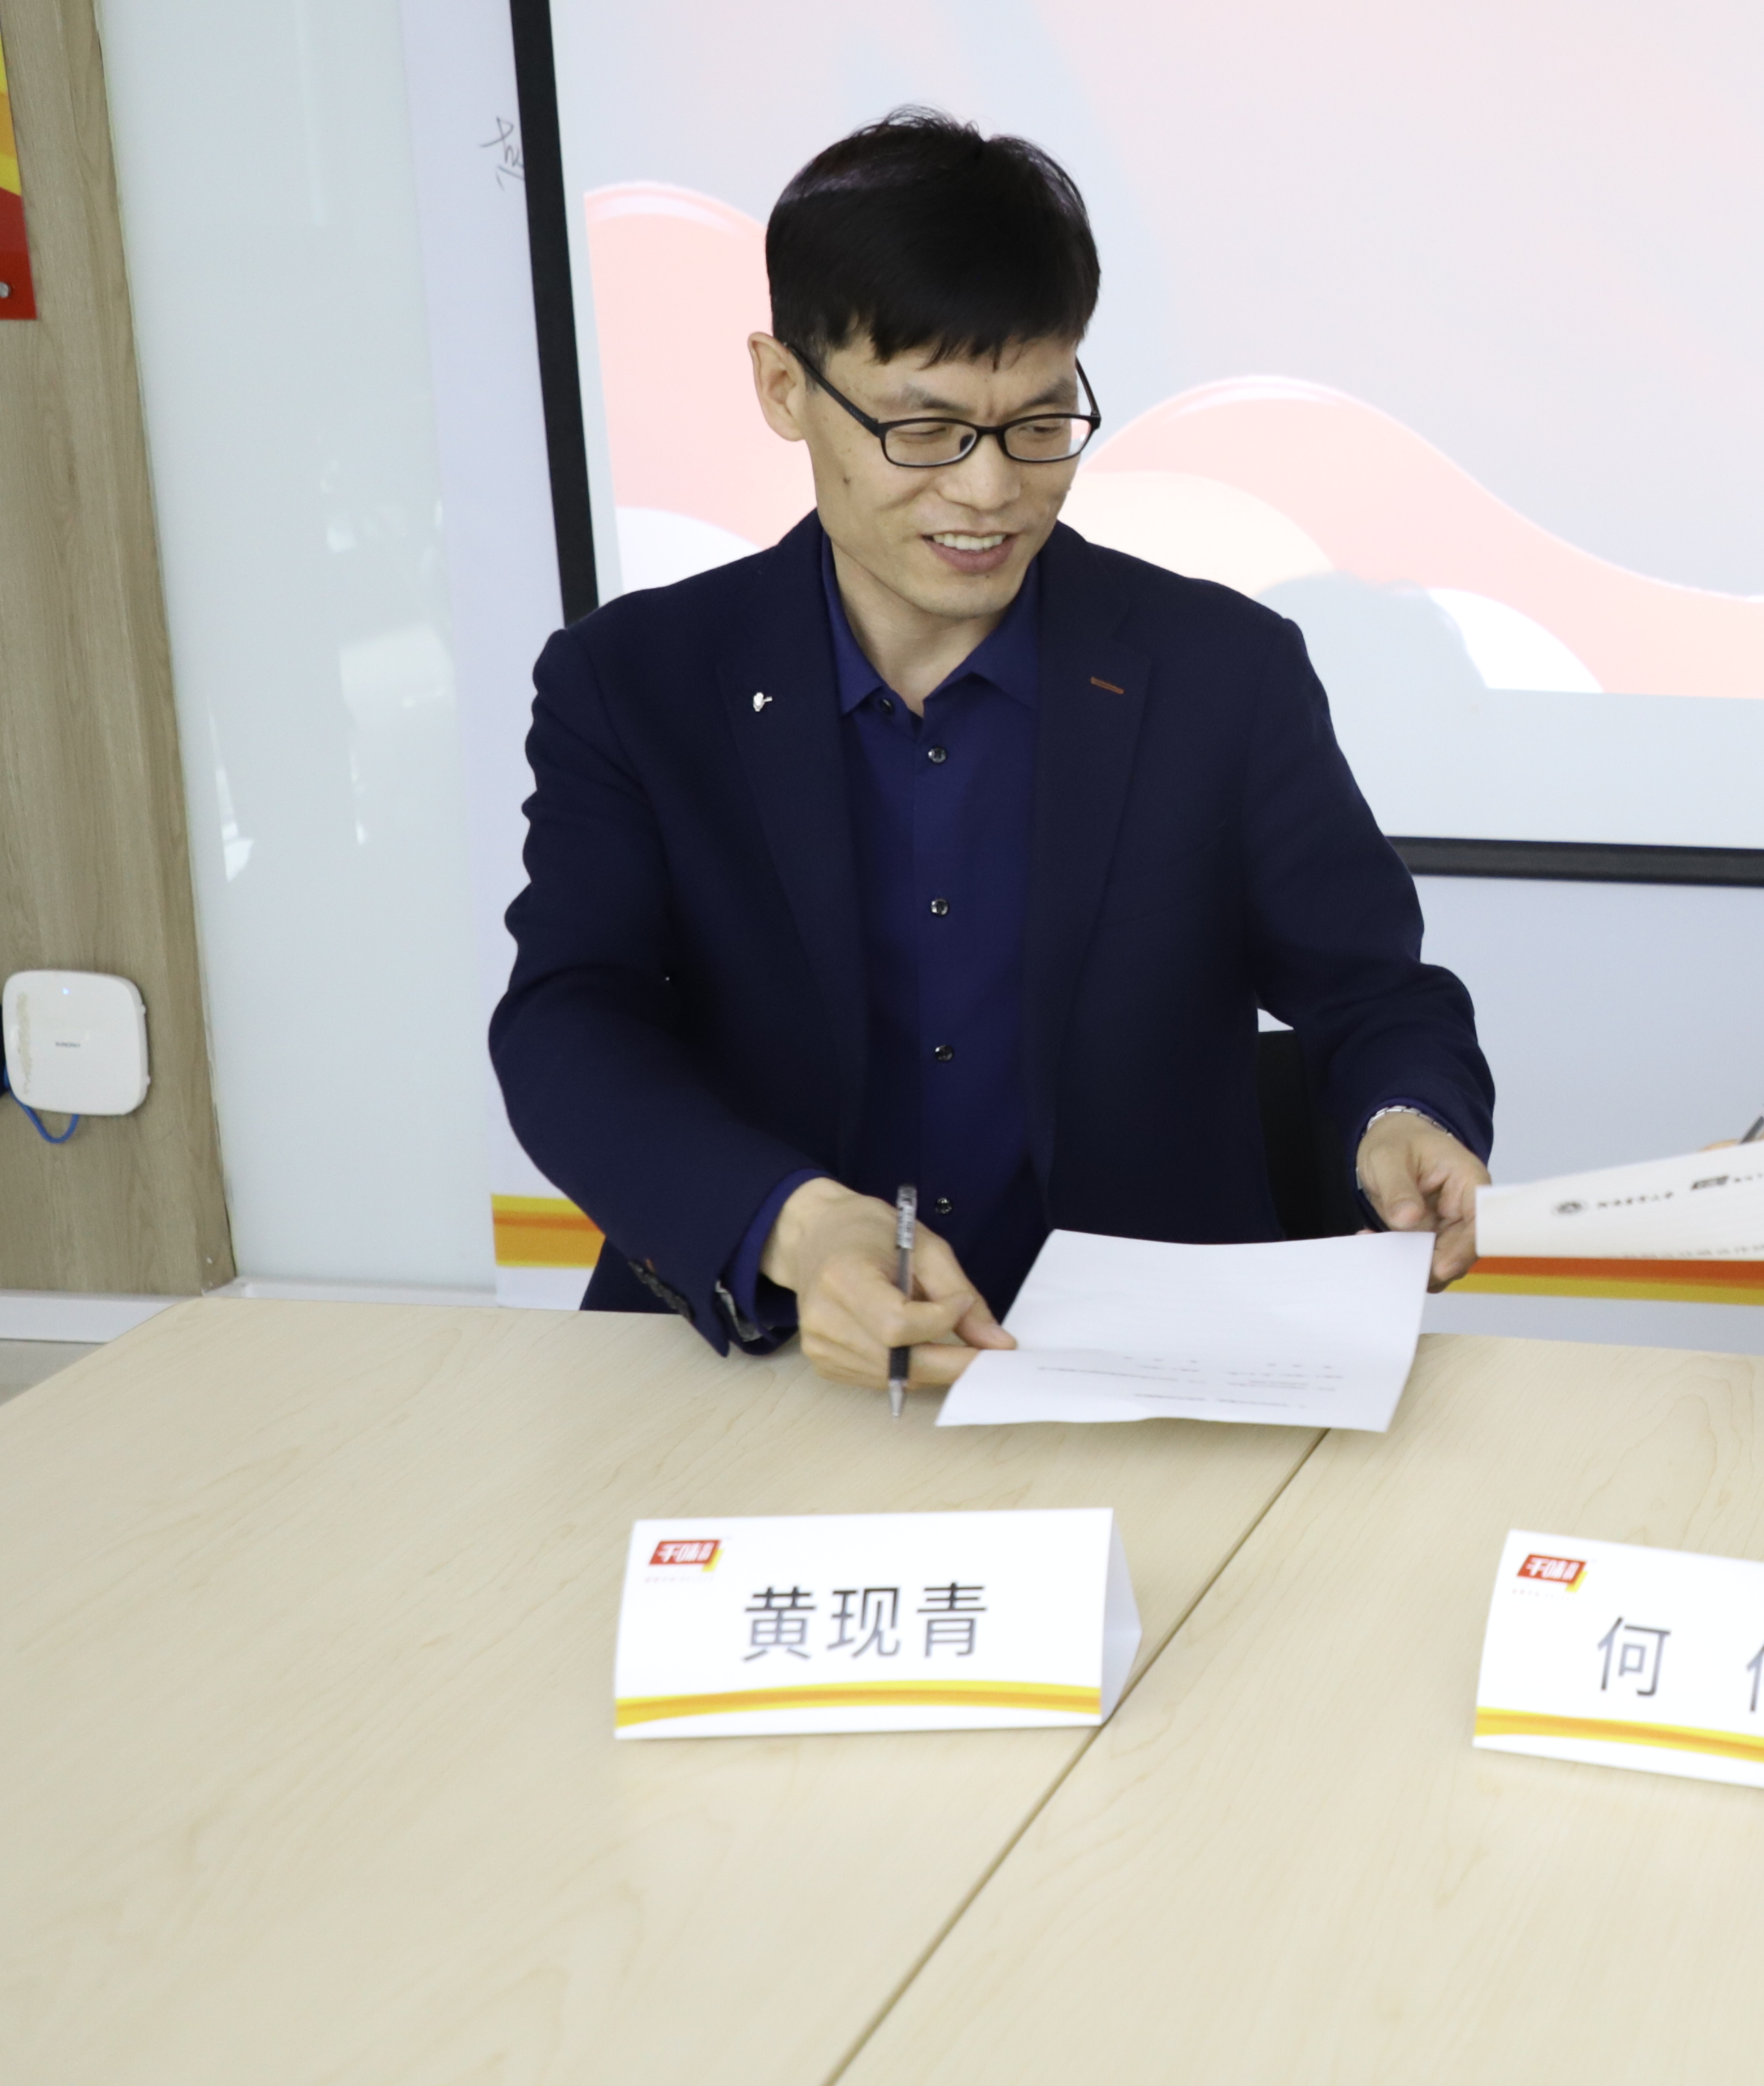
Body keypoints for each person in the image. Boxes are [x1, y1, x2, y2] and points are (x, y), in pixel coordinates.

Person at [491, 110, 1492, 1391]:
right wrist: (794, 1225)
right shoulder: (635, 681)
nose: (989, 490)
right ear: (785, 387)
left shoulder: (1220, 673)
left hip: (1142, 1373)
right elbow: (569, 1024)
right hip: (767, 1364)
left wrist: (1402, 1115)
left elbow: (1375, 994)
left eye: (1039, 421)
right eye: (924, 430)